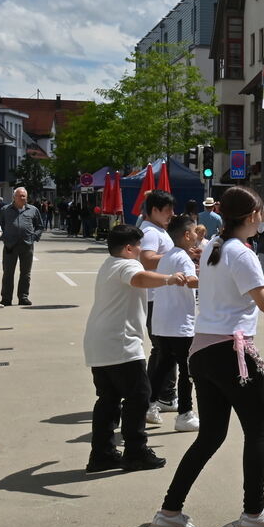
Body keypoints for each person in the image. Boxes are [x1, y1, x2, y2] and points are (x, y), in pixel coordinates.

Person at [150, 186, 264, 527]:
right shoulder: (240, 253)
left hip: (202, 351)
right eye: (260, 215)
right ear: (250, 217)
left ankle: (170, 510)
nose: (262, 220)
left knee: (211, 435)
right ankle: (253, 511)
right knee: (257, 430)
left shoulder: (214, 249)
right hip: (232, 352)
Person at [84, 224, 188, 475]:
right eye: (139, 246)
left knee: (108, 400)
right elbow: (139, 278)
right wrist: (169, 279)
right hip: (121, 344)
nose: (141, 251)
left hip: (100, 343)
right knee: (138, 396)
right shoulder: (127, 264)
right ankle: (136, 452)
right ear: (129, 248)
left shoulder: (109, 264)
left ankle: (102, 454)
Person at [147, 216, 201, 433]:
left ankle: (149, 405)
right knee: (187, 370)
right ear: (187, 235)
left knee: (164, 366)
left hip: (163, 322)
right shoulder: (183, 259)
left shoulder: (168, 257)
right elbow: (190, 281)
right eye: (195, 231)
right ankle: (185, 414)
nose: (198, 235)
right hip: (180, 324)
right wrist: (213, 278)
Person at [139, 191, 179, 412]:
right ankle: (160, 395)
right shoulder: (151, 232)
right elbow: (147, 259)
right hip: (156, 298)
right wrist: (177, 256)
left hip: (160, 296)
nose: (171, 214)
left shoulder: (157, 230)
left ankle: (156, 393)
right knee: (164, 348)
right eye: (167, 210)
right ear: (154, 210)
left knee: (162, 349)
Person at [0, 186, 45, 306]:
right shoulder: (5, 210)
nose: (23, 198)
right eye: (20, 196)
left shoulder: (33, 210)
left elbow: (40, 226)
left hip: (27, 245)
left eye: (25, 196)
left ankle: (23, 297)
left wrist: (34, 237)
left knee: (25, 273)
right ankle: (6, 298)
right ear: (14, 197)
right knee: (8, 273)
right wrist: (4, 237)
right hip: (10, 246)